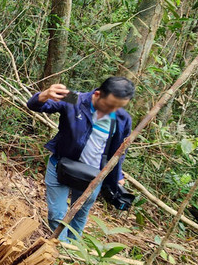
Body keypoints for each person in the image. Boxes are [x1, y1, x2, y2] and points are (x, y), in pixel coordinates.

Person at [27, 77, 135, 241]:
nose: (114, 110)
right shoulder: (75, 99)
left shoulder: (122, 118)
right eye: (110, 105)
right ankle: (60, 250)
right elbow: (35, 105)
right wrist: (44, 95)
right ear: (97, 94)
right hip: (61, 166)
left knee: (79, 215)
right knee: (57, 214)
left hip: (93, 176)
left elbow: (119, 150)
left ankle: (73, 251)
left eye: (119, 107)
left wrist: (117, 176)